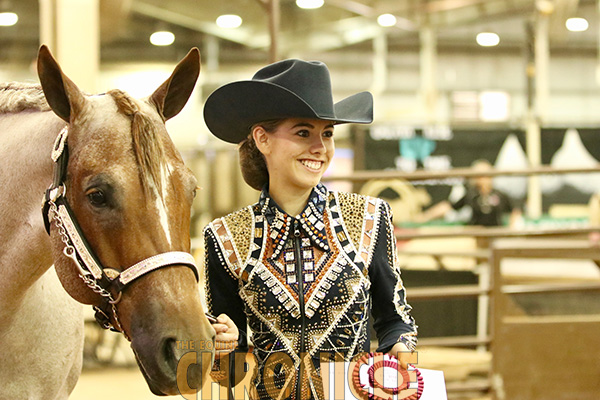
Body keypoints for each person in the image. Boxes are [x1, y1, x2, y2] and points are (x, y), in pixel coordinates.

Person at [202, 59, 417, 400]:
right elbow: (227, 377)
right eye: (303, 132)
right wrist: (222, 347)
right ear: (262, 139)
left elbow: (394, 319)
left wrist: (403, 353)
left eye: (327, 133)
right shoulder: (225, 237)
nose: (320, 147)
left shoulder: (370, 217)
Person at [418, 159, 521, 228]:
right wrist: (426, 216)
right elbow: (448, 206)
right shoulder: (472, 194)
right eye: (479, 176)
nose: (483, 179)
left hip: (495, 234)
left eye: (486, 175)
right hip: (476, 235)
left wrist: (510, 228)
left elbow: (515, 209)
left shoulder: (499, 194)